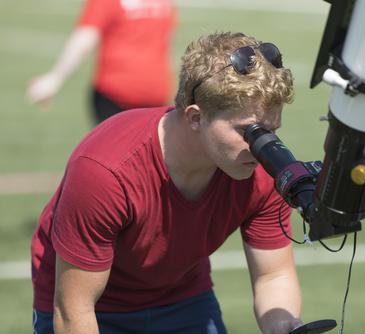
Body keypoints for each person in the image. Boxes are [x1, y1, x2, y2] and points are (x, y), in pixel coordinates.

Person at [31, 31, 303, 334]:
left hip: (182, 296)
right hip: (91, 307)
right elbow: (74, 310)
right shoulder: (105, 171)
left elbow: (273, 275)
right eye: (248, 132)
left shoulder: (265, 167)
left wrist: (285, 327)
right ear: (196, 118)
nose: (263, 146)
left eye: (271, 130)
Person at [26, 0, 177, 124]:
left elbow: (86, 38)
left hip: (116, 94)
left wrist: (54, 79)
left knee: (110, 158)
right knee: (146, 158)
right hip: (156, 93)